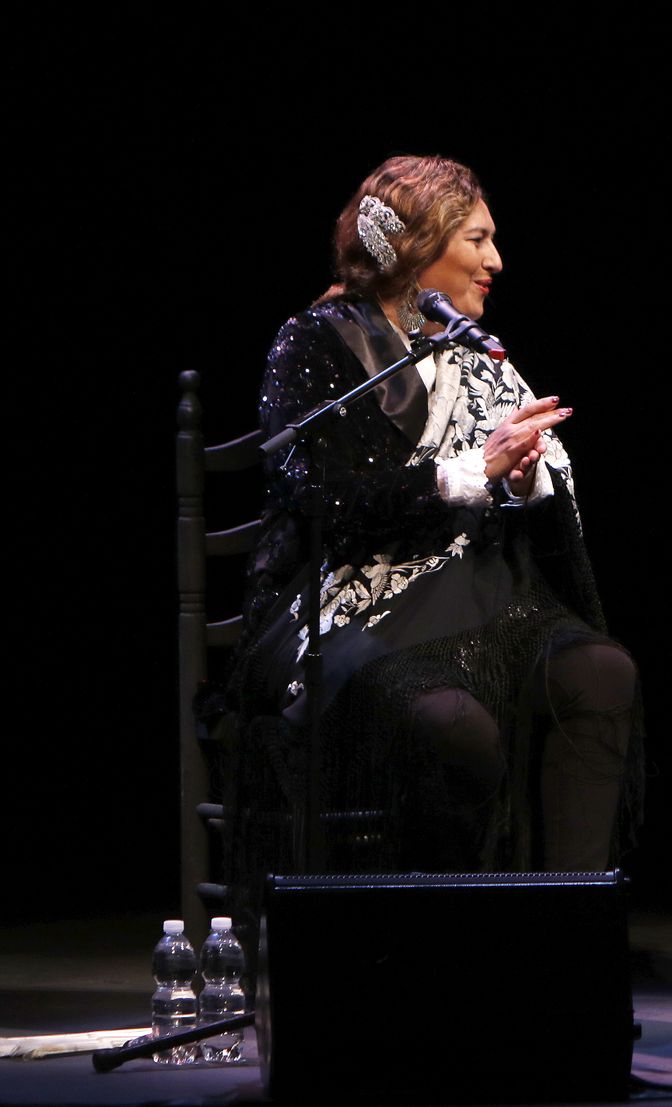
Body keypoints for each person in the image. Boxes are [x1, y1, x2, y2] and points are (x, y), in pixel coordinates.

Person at [228, 155, 641, 897]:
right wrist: (469, 472)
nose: (496, 260)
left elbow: (535, 505)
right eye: (477, 239)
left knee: (600, 672)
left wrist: (520, 483)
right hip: (352, 605)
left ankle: (567, 931)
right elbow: (326, 501)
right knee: (454, 724)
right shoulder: (316, 342)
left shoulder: (478, 359)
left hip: (475, 595)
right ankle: (447, 939)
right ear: (416, 247)